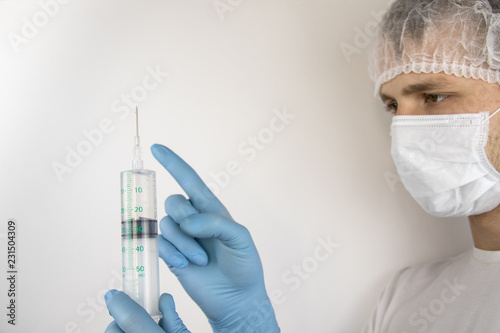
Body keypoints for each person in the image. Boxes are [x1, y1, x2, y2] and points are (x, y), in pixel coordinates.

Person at [104, 0, 500, 331]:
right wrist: (249, 322)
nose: (404, 130)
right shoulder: (407, 297)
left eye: (434, 96)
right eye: (393, 105)